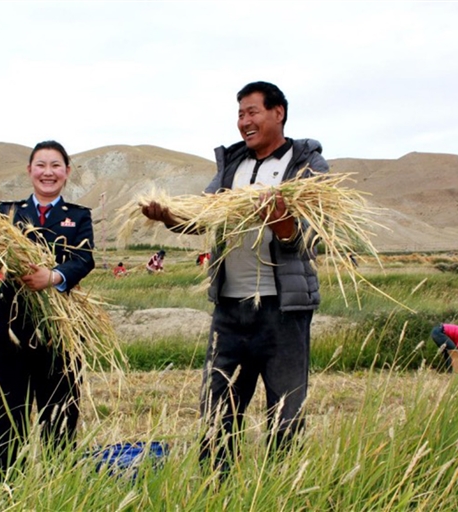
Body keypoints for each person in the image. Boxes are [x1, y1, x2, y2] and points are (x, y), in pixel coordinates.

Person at [141, 81, 329, 473]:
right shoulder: (232, 165)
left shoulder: (306, 165)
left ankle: (280, 489)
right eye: (240, 114)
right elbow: (201, 219)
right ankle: (216, 488)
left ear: (278, 112)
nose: (244, 121)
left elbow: (311, 235)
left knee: (286, 413)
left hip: (284, 311)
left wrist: (281, 221)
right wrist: (168, 216)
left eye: (252, 112)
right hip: (229, 310)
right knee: (217, 412)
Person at [0, 140, 95, 478]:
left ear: (67, 172)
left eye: (55, 165)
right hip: (10, 326)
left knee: (60, 416)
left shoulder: (78, 216)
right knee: (9, 415)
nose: (48, 172)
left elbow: (84, 260)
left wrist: (53, 276)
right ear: (29, 170)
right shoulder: (7, 213)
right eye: (41, 165)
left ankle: (58, 487)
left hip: (61, 329)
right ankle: (10, 489)